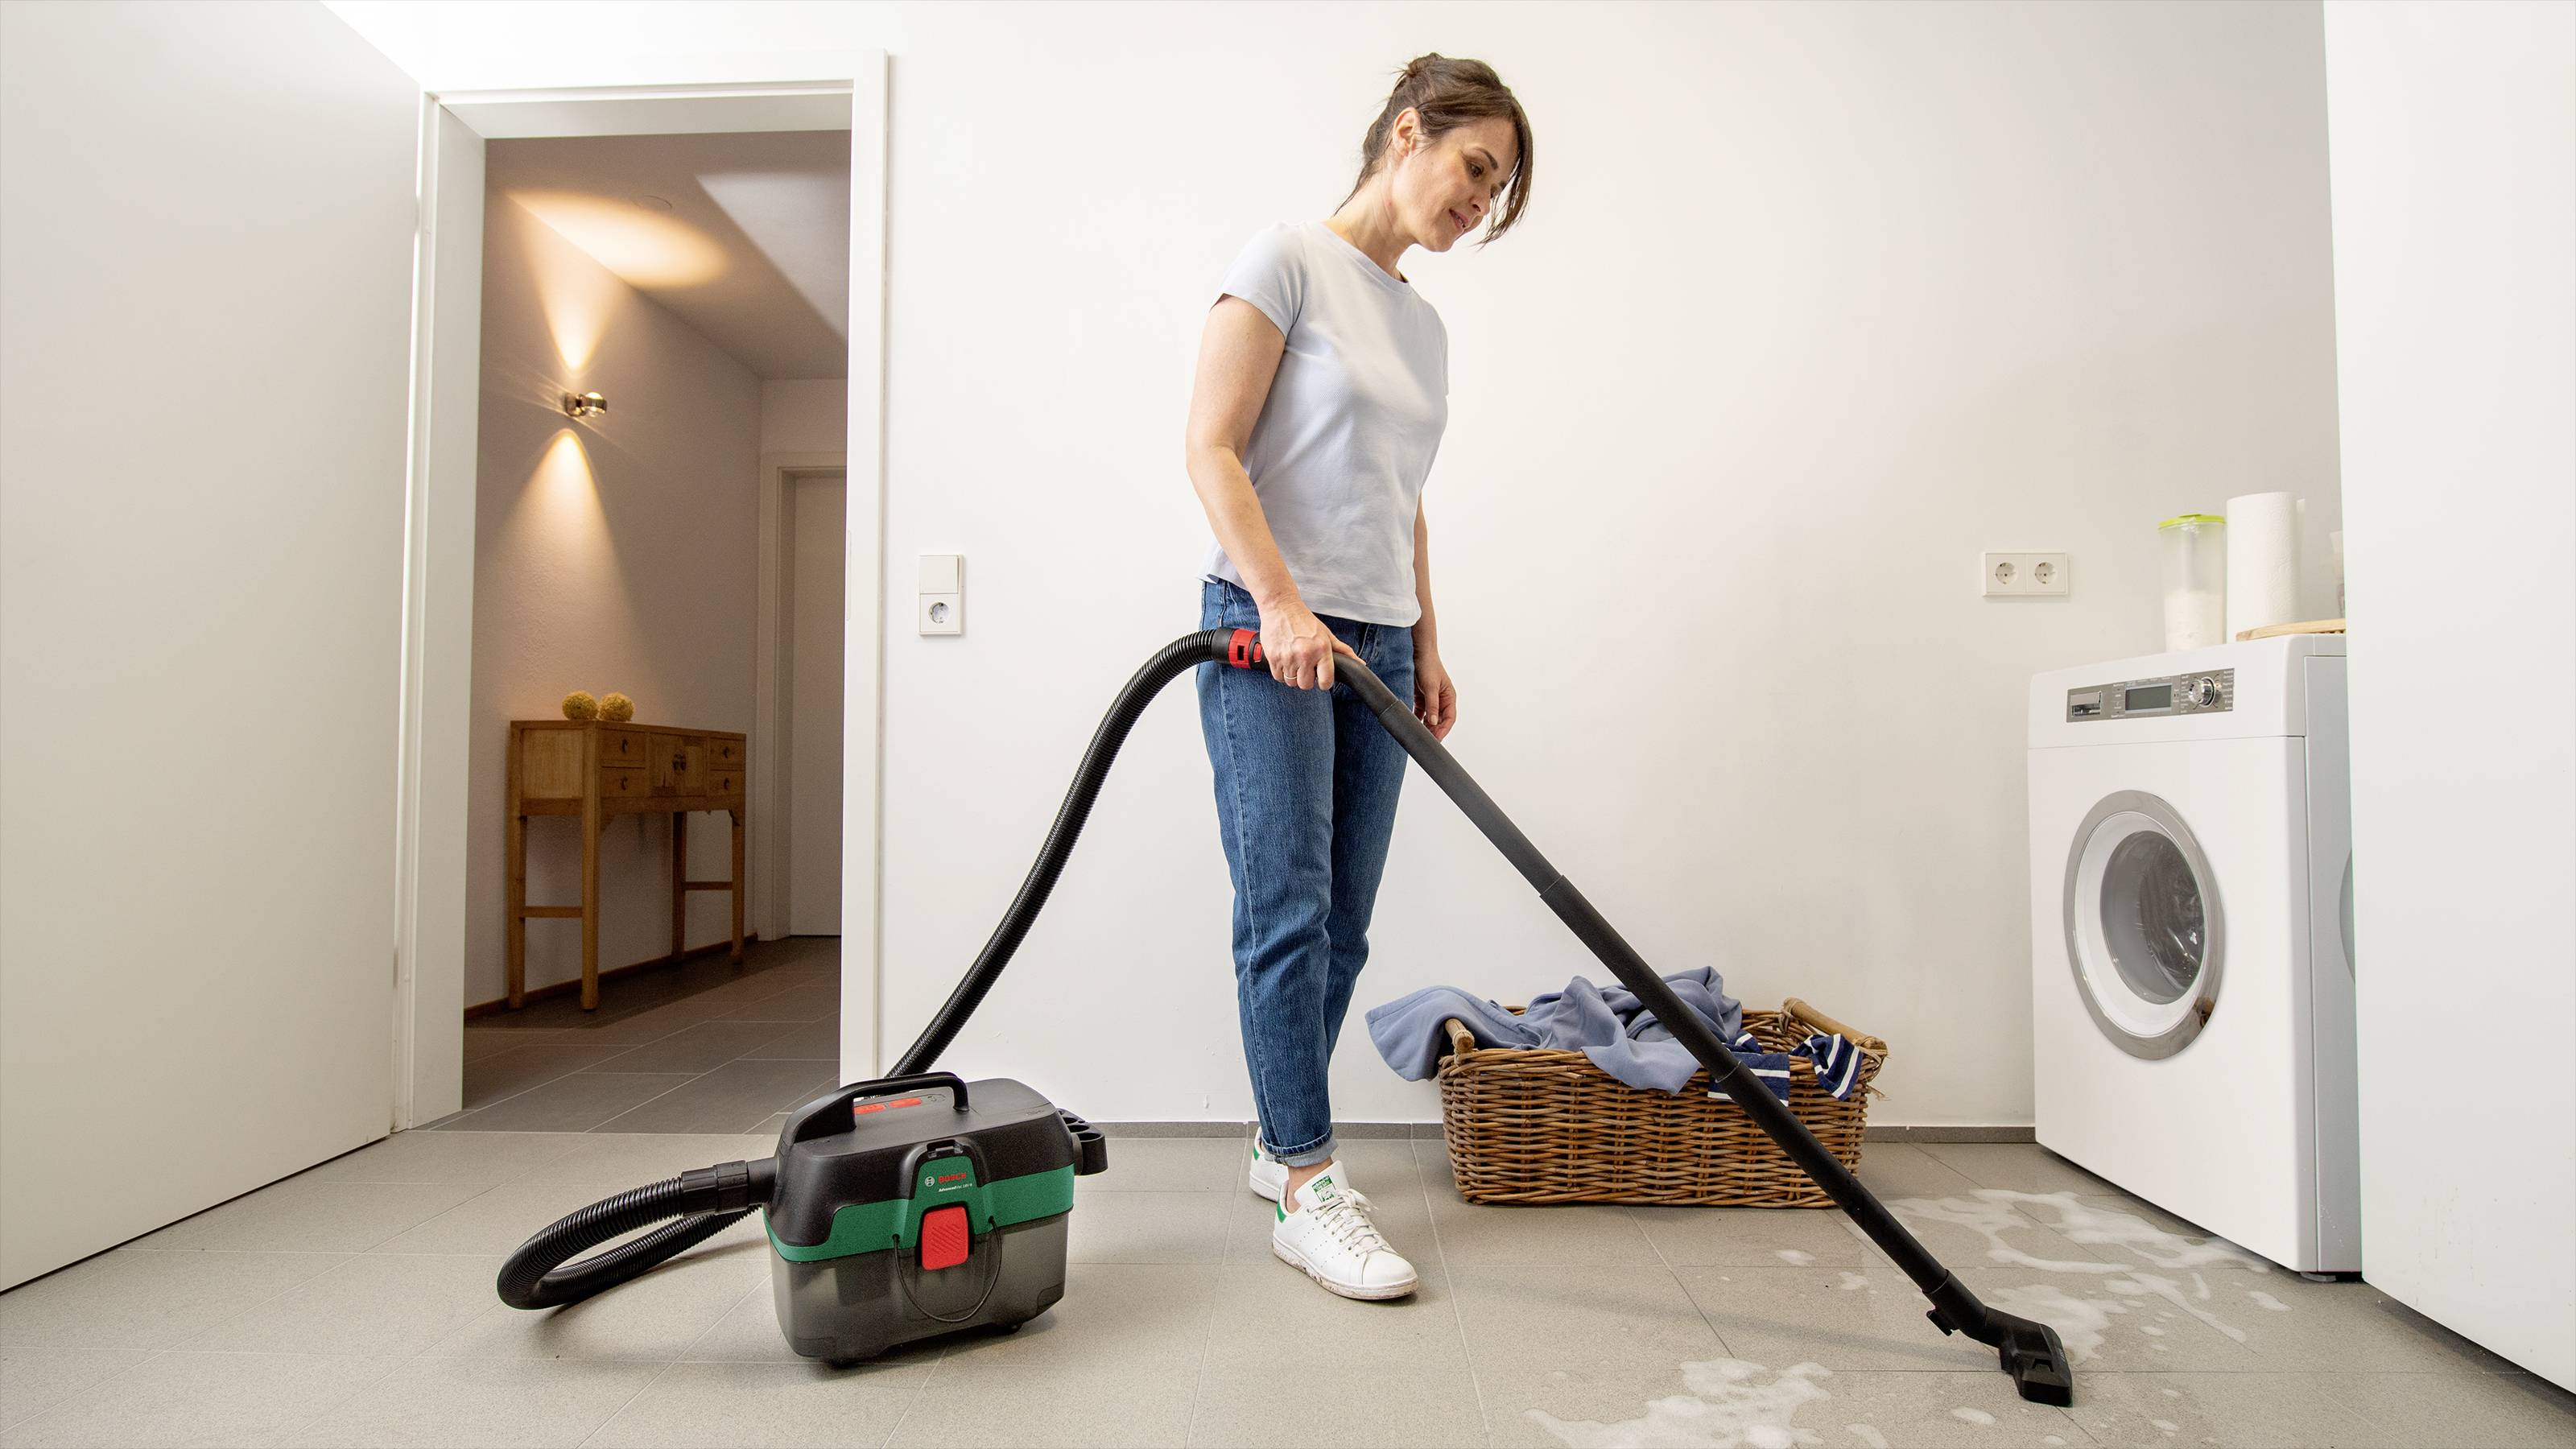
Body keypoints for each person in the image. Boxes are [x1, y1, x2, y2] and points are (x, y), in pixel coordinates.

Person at [1183, 53, 1534, 1300]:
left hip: (1378, 642)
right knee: (1285, 913)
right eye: (1475, 169)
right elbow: (1212, 448)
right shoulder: (1283, 257)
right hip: (1268, 633)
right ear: (1407, 132)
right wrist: (1279, 602)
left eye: (1497, 192)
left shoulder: (1425, 326)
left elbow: (1403, 499)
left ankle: (1281, 1143)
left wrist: (1428, 638)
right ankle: (1305, 1176)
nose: (1479, 203)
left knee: (1344, 925)